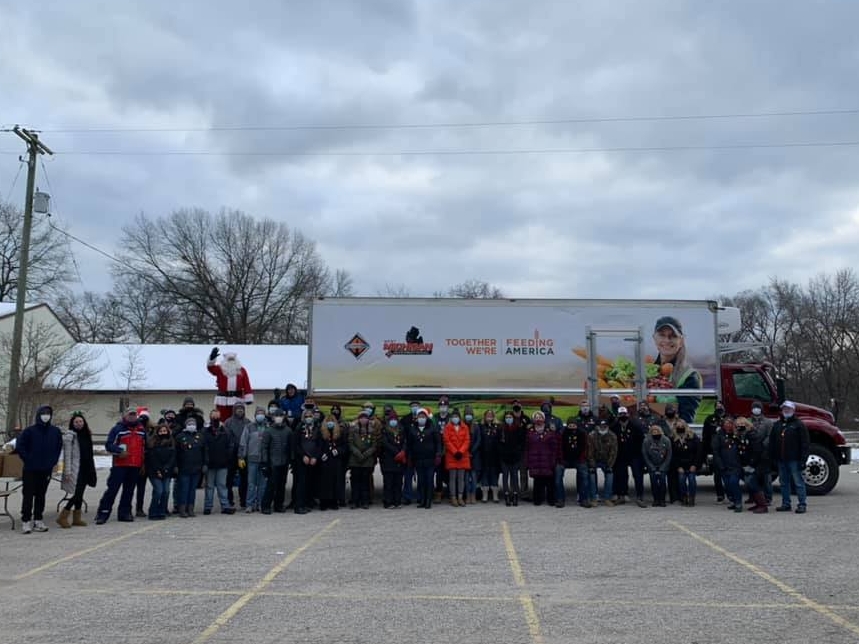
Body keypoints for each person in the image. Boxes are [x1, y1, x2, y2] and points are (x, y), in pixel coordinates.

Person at [16, 405, 63, 534]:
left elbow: (58, 447)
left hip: (46, 469)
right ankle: (26, 521)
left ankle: (38, 519)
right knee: (28, 495)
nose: (46, 415)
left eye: (48, 413)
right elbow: (20, 446)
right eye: (43, 413)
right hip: (30, 469)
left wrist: (52, 462)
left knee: (41, 495)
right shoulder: (29, 431)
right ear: (39, 415)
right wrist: (28, 459)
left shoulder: (55, 431)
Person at [96, 408, 147, 525]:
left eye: (134, 415)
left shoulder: (141, 430)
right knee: (112, 490)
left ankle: (124, 513)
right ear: (125, 416)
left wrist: (143, 463)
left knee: (129, 491)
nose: (132, 417)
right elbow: (109, 445)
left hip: (135, 465)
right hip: (120, 465)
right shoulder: (117, 429)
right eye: (130, 415)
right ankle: (103, 513)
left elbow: (144, 448)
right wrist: (119, 451)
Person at [651, 316, 703, 423]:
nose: (667, 340)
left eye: (673, 336)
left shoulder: (689, 376)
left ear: (681, 340)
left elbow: (686, 418)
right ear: (654, 338)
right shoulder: (649, 369)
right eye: (662, 335)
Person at [57, 411, 97, 529]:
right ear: (72, 423)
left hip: (87, 467)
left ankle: (76, 518)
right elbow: (67, 456)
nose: (79, 424)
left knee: (81, 492)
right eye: (76, 422)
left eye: (80, 421)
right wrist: (67, 471)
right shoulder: (70, 437)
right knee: (78, 492)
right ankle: (63, 515)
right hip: (76, 468)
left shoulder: (86, 435)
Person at [770, 401, 809, 514]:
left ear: (793, 410)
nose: (786, 411)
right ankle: (786, 503)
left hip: (794, 460)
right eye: (784, 409)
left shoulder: (799, 425)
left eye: (789, 409)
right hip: (781, 460)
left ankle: (802, 504)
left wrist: (803, 459)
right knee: (783, 483)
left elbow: (805, 444)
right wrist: (772, 457)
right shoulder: (777, 425)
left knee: (798, 482)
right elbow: (772, 442)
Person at [611, 406, 647, 508]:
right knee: (621, 476)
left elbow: (641, 442)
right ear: (618, 415)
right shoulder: (614, 427)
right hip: (621, 456)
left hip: (635, 455)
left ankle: (640, 497)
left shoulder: (635, 426)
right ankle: (622, 496)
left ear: (628, 414)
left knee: (638, 476)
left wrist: (641, 457)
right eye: (621, 414)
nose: (623, 416)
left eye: (624, 414)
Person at [406, 408, 441, 509]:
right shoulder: (413, 429)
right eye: (420, 417)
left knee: (429, 480)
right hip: (418, 459)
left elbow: (438, 443)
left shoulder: (433, 428)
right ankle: (422, 500)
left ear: (426, 417)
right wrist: (410, 458)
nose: (421, 418)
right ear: (417, 418)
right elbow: (410, 445)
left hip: (430, 459)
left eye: (423, 417)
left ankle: (428, 500)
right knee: (421, 481)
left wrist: (438, 454)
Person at [206, 347, 254, 421]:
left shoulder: (241, 370)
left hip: (237, 399)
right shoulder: (220, 369)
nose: (231, 362)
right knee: (222, 418)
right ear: (225, 360)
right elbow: (211, 368)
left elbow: (246, 384)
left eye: (232, 360)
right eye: (229, 360)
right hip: (222, 400)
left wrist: (248, 397)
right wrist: (212, 358)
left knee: (238, 418)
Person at [204, 409, 236, 515]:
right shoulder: (205, 431)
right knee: (209, 486)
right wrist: (206, 460)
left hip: (223, 464)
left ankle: (225, 506)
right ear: (210, 417)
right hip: (210, 464)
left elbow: (231, 445)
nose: (215, 419)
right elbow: (203, 447)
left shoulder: (226, 431)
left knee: (222, 485)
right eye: (213, 417)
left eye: (217, 417)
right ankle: (207, 507)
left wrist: (227, 458)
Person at [260, 408, 292, 514]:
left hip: (284, 462)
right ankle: (266, 506)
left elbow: (290, 447)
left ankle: (279, 505)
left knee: (282, 485)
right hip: (272, 462)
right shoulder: (268, 431)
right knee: (271, 485)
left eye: (280, 415)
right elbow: (264, 447)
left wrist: (291, 460)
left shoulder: (288, 430)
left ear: (283, 417)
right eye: (276, 415)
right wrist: (265, 462)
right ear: (273, 417)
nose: (278, 417)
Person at [525, 411, 560, 507]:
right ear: (533, 419)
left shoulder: (550, 431)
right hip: (535, 459)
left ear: (544, 419)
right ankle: (538, 499)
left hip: (548, 459)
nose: (538, 419)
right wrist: (527, 461)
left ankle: (551, 499)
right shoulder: (530, 431)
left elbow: (554, 446)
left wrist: (553, 459)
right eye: (536, 417)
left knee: (550, 481)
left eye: (540, 417)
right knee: (537, 481)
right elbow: (527, 447)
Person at [175, 416, 207, 518]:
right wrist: (175, 466)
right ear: (186, 425)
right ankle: (182, 509)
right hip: (183, 468)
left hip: (196, 468)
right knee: (184, 489)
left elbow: (205, 451)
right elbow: (175, 453)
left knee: (192, 489)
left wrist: (205, 464)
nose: (191, 426)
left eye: (193, 424)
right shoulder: (180, 436)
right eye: (189, 424)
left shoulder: (200, 436)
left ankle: (190, 509)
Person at [239, 406, 268, 513]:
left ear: (265, 415)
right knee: (251, 484)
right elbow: (243, 442)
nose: (260, 415)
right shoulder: (249, 427)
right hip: (252, 459)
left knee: (262, 484)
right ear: (255, 415)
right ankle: (249, 504)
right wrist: (241, 456)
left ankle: (260, 503)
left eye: (262, 413)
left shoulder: (268, 427)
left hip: (264, 460)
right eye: (258, 413)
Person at [712, 416, 744, 512]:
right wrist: (720, 465)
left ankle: (738, 502)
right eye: (726, 424)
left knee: (734, 483)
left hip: (735, 465)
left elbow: (742, 447)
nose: (728, 425)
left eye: (730, 423)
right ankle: (733, 501)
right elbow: (716, 451)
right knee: (728, 485)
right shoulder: (719, 436)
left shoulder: (737, 435)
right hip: (724, 465)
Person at [293, 409, 321, 514]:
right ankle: (299, 506)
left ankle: (307, 503)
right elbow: (296, 445)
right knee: (301, 484)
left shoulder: (316, 428)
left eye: (310, 416)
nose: (308, 418)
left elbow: (319, 444)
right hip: (302, 460)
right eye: (306, 416)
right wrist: (303, 455)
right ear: (303, 417)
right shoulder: (299, 428)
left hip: (313, 460)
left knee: (309, 483)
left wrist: (315, 457)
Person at [145, 423, 176, 520]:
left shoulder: (171, 442)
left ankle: (162, 511)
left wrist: (167, 468)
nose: (163, 432)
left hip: (167, 471)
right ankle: (153, 511)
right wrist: (158, 470)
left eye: (164, 431)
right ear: (157, 432)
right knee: (159, 491)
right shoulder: (153, 443)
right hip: (154, 471)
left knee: (166, 491)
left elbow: (173, 458)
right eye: (161, 431)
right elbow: (152, 458)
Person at [224, 401, 251, 509]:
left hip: (243, 455)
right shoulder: (228, 422)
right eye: (238, 408)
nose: (240, 410)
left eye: (242, 408)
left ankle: (243, 501)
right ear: (234, 410)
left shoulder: (248, 422)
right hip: (231, 455)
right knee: (229, 479)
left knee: (244, 479)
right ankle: (229, 500)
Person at [560, 416, 590, 508]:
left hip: (579, 459)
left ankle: (583, 499)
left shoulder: (582, 433)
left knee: (584, 475)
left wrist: (582, 458)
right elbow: (559, 448)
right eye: (570, 425)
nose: (572, 426)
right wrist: (561, 459)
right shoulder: (562, 433)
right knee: (557, 474)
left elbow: (585, 447)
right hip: (565, 459)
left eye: (574, 425)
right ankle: (560, 499)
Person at [348, 410, 376, 509]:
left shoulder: (372, 430)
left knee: (365, 482)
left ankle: (365, 501)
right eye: (361, 418)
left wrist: (366, 454)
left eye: (365, 418)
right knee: (355, 482)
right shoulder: (353, 429)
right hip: (355, 460)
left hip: (367, 461)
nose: (363, 420)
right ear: (358, 419)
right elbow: (350, 443)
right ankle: (355, 501)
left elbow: (374, 445)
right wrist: (358, 453)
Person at [443, 408, 471, 507]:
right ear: (451, 418)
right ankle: (453, 497)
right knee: (452, 478)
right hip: (452, 456)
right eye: (453, 417)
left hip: (462, 456)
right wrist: (455, 452)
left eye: (457, 417)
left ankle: (460, 497)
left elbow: (467, 440)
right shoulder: (447, 427)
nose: (455, 418)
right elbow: (446, 441)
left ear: (460, 418)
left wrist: (461, 451)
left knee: (461, 478)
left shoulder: (465, 427)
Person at [498, 409, 527, 506]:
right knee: (505, 476)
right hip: (504, 457)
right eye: (507, 417)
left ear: (513, 419)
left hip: (515, 457)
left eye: (510, 417)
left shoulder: (518, 428)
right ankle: (506, 495)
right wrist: (502, 454)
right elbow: (498, 444)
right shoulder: (501, 429)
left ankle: (515, 495)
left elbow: (521, 442)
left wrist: (517, 453)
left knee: (515, 476)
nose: (508, 419)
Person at [701, 401, 727, 503]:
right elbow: (705, 436)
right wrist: (707, 451)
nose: (719, 407)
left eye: (721, 405)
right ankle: (720, 495)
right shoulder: (709, 419)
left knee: (729, 474)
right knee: (717, 474)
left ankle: (730, 494)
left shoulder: (729, 418)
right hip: (715, 450)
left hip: (727, 450)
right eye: (717, 406)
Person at [670, 419, 701, 506]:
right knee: (681, 481)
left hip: (691, 464)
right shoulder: (672, 438)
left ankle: (691, 497)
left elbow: (698, 452)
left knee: (692, 480)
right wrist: (677, 467)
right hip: (680, 465)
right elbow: (672, 455)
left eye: (682, 426)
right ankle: (684, 496)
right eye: (678, 426)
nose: (680, 428)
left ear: (686, 426)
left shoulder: (693, 437)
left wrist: (695, 465)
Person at [379, 413, 407, 509]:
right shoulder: (385, 431)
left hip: (399, 461)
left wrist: (403, 451)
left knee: (398, 483)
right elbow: (385, 443)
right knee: (388, 483)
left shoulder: (401, 430)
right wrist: (397, 453)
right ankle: (388, 502)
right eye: (391, 419)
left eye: (395, 419)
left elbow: (405, 442)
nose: (393, 421)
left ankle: (397, 501)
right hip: (388, 460)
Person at [588, 419, 618, 507]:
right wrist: (592, 464)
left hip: (606, 460)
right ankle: (593, 498)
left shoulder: (612, 436)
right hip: (595, 459)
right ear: (597, 427)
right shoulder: (591, 435)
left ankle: (607, 498)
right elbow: (590, 452)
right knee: (592, 475)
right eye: (601, 426)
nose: (603, 428)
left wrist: (609, 465)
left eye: (605, 426)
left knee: (610, 474)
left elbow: (614, 452)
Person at [749, 401, 774, 504]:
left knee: (766, 477)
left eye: (758, 407)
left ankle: (768, 497)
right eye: (754, 407)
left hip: (764, 453)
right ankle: (753, 497)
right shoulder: (748, 421)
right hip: (752, 452)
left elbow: (770, 436)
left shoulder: (768, 422)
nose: (756, 409)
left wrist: (763, 445)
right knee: (751, 476)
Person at [642, 424, 672, 507]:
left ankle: (662, 500)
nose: (655, 433)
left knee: (662, 481)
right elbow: (645, 455)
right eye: (653, 432)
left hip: (663, 464)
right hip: (652, 465)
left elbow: (669, 455)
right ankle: (656, 499)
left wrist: (663, 467)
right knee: (654, 482)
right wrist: (651, 467)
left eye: (657, 431)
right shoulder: (646, 441)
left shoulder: (666, 440)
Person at [400, 400, 422, 505]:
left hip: (420, 452)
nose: (414, 408)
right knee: (408, 475)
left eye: (416, 406)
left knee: (421, 476)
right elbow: (402, 435)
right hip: (409, 451)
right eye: (413, 406)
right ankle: (407, 496)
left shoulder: (424, 419)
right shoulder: (405, 419)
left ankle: (420, 496)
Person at [134, 407, 155, 518]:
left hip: (151, 462)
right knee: (138, 487)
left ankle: (156, 507)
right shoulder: (136, 429)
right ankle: (138, 508)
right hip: (139, 462)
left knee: (157, 487)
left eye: (145, 419)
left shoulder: (153, 430)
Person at [510, 400, 532, 500]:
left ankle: (524, 493)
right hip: (512, 450)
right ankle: (513, 492)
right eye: (514, 405)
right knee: (513, 472)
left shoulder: (526, 419)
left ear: (521, 406)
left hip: (523, 449)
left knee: (523, 473)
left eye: (518, 404)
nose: (516, 406)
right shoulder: (508, 418)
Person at [478, 410, 501, 503]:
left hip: (495, 455)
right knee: (485, 474)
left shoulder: (498, 427)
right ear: (484, 416)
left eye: (491, 415)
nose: (489, 416)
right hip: (483, 454)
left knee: (494, 474)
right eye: (487, 415)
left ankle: (495, 495)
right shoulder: (480, 426)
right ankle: (485, 495)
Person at [464, 404, 481, 503]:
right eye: (466, 414)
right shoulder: (462, 425)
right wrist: (466, 451)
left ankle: (473, 495)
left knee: (474, 477)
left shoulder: (476, 426)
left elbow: (479, 440)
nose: (468, 416)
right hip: (464, 455)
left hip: (475, 456)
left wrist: (472, 451)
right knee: (466, 477)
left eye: (470, 414)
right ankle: (467, 495)